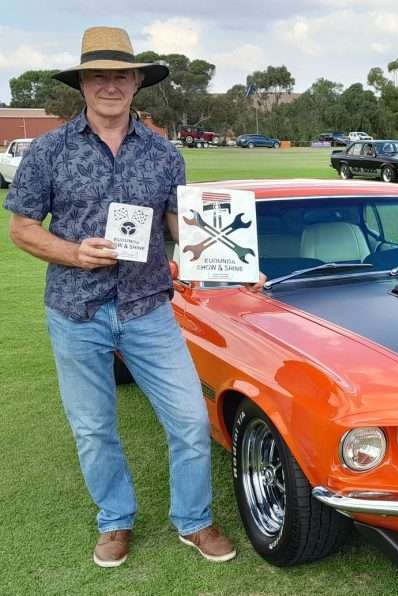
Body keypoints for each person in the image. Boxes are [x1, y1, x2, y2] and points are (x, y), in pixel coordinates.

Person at [4, 26, 255, 568]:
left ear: (137, 81)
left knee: (190, 419)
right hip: (76, 311)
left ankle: (193, 520)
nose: (110, 85)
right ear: (83, 84)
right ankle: (114, 522)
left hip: (149, 308)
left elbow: (177, 222)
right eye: (99, 75)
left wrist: (228, 254)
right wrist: (74, 253)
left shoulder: (165, 155)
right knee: (94, 428)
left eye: (121, 74)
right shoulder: (49, 151)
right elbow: (22, 228)